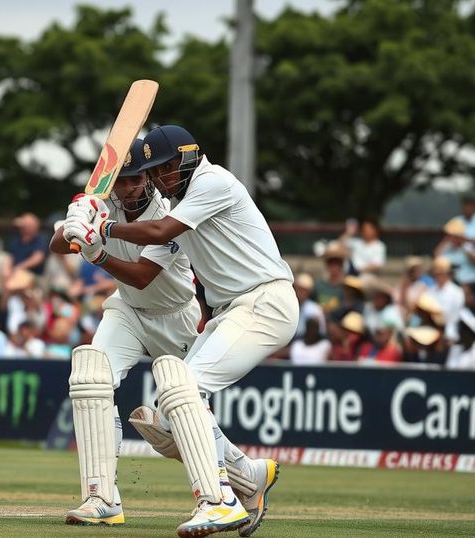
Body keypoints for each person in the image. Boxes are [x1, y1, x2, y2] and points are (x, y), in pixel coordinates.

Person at [64, 126, 295, 536]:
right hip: (229, 308)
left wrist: (101, 231)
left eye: (166, 167)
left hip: (264, 301)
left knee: (183, 388)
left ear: (189, 157)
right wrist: (77, 220)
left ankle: (220, 502)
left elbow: (158, 233)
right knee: (166, 402)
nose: (159, 177)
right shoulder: (177, 198)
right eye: (154, 170)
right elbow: (82, 247)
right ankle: (247, 476)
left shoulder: (212, 182)